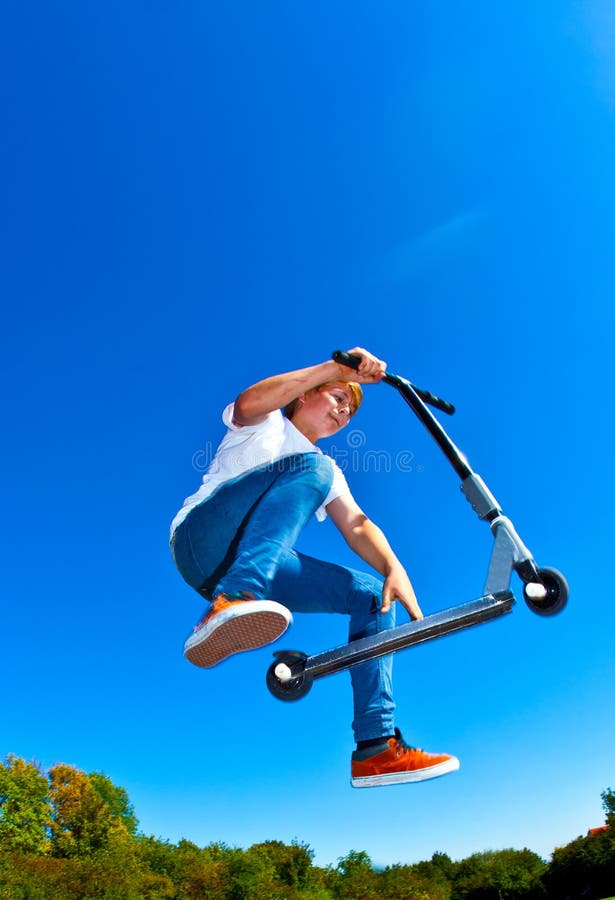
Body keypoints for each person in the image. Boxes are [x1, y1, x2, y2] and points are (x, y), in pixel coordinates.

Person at [170, 347, 459, 788]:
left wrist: (394, 569)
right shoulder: (267, 424)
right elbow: (247, 403)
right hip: (201, 540)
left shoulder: (328, 471)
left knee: (369, 594)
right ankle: (235, 598)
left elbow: (358, 526)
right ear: (305, 395)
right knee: (313, 467)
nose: (344, 411)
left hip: (257, 560)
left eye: (350, 410)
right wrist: (334, 369)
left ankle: (375, 747)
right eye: (338, 397)